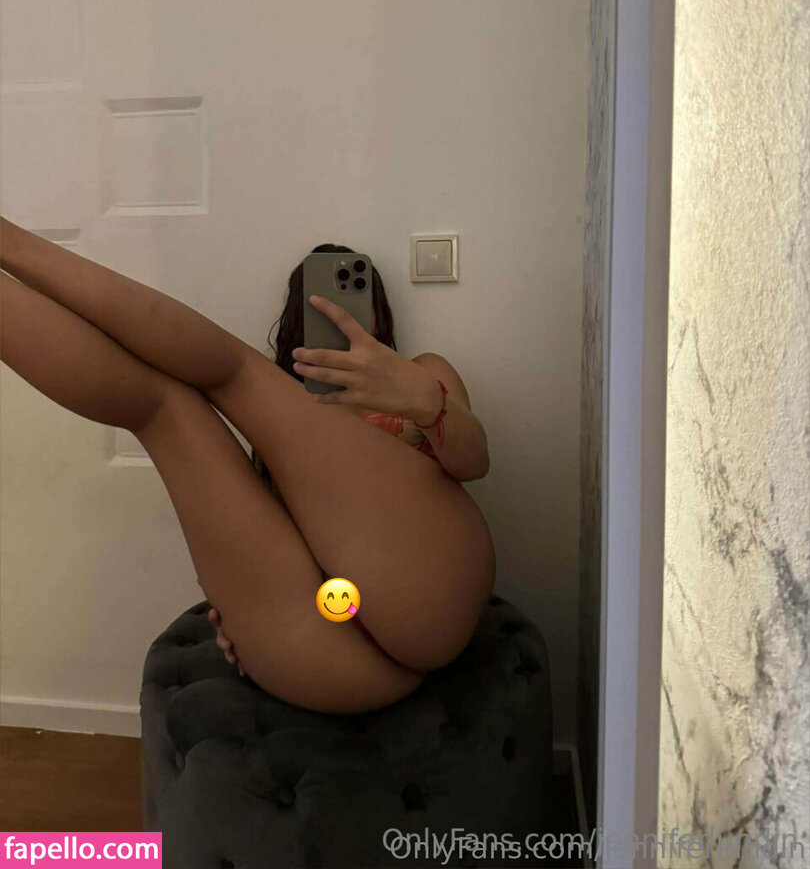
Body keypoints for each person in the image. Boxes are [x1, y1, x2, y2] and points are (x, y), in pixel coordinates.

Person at [0, 218, 495, 714]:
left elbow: (474, 463)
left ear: (379, 309)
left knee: (234, 373)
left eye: (354, 292)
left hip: (430, 595)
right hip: (324, 644)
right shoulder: (284, 415)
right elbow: (266, 537)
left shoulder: (424, 375)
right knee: (167, 407)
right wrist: (237, 603)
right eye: (321, 304)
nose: (341, 314)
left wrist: (424, 401)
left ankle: (9, 240)